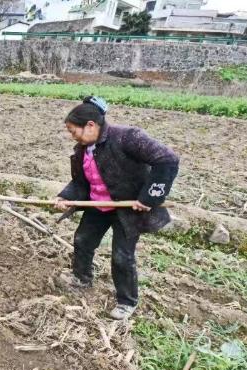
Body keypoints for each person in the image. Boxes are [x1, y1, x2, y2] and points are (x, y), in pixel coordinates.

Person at [55, 96, 179, 320]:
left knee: (122, 256)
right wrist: (65, 197)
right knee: (83, 240)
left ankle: (126, 302)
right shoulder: (83, 149)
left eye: (74, 131)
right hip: (98, 205)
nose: (73, 136)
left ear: (90, 125)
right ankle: (81, 278)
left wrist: (149, 197)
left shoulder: (127, 137)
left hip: (127, 209)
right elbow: (82, 181)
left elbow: (167, 159)